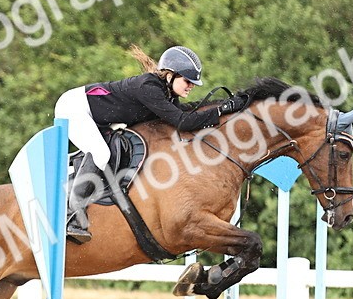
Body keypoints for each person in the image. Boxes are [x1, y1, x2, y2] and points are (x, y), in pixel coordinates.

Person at [54, 45, 226, 244]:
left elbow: (184, 115)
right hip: (74, 108)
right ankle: (70, 215)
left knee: (109, 150)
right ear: (170, 75)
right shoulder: (149, 88)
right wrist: (221, 111)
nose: (191, 86)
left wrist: (223, 107)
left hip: (97, 117)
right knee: (101, 154)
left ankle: (72, 168)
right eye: (187, 81)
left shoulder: (164, 93)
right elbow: (183, 121)